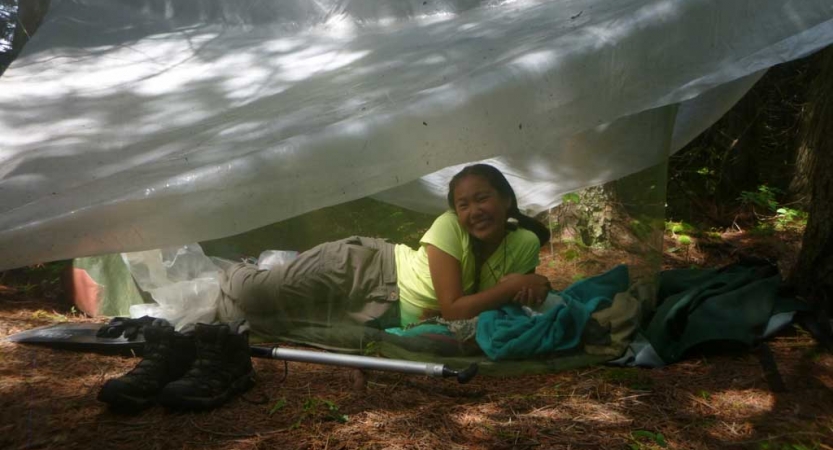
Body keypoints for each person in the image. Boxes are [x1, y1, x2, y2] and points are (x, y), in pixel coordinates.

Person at [216, 163, 552, 335]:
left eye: (483, 198)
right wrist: (509, 287)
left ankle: (249, 279)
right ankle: (235, 268)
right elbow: (457, 309)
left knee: (262, 321)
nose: (473, 212)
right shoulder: (449, 227)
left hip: (382, 311)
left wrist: (537, 285)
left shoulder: (525, 242)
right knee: (253, 295)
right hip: (363, 269)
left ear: (506, 199)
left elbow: (507, 302)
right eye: (463, 204)